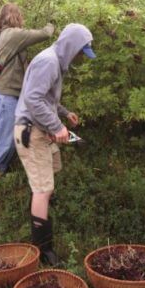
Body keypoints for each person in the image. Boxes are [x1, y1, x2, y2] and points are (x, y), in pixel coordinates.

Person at [14, 23, 95, 265]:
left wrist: (64, 113)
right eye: (80, 52)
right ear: (71, 46)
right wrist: (57, 128)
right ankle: (43, 249)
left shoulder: (54, 62)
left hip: (41, 129)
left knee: (52, 170)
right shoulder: (48, 61)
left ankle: (42, 208)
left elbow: (45, 97)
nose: (81, 58)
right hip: (31, 131)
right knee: (43, 189)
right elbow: (33, 98)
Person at [0, 3, 54, 177]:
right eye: (19, 15)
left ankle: (0, 170)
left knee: (10, 134)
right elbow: (45, 33)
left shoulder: (1, 35)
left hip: (7, 94)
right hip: (4, 95)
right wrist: (51, 22)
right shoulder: (13, 34)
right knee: (4, 136)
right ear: (14, 16)